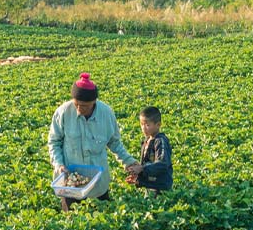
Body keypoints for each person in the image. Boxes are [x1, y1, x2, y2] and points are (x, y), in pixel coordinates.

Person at [48, 72, 139, 211]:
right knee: (72, 220)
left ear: (94, 102)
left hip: (98, 182)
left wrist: (129, 162)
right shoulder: (63, 113)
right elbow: (54, 142)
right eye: (76, 104)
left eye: (84, 105)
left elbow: (114, 143)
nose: (79, 108)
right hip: (71, 183)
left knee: (103, 218)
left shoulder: (106, 114)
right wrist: (59, 164)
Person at [126, 106, 173, 196]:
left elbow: (162, 164)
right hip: (149, 185)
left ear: (158, 125)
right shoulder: (146, 140)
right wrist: (138, 177)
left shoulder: (160, 141)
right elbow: (146, 164)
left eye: (147, 125)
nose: (143, 128)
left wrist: (142, 168)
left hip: (160, 186)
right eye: (142, 124)